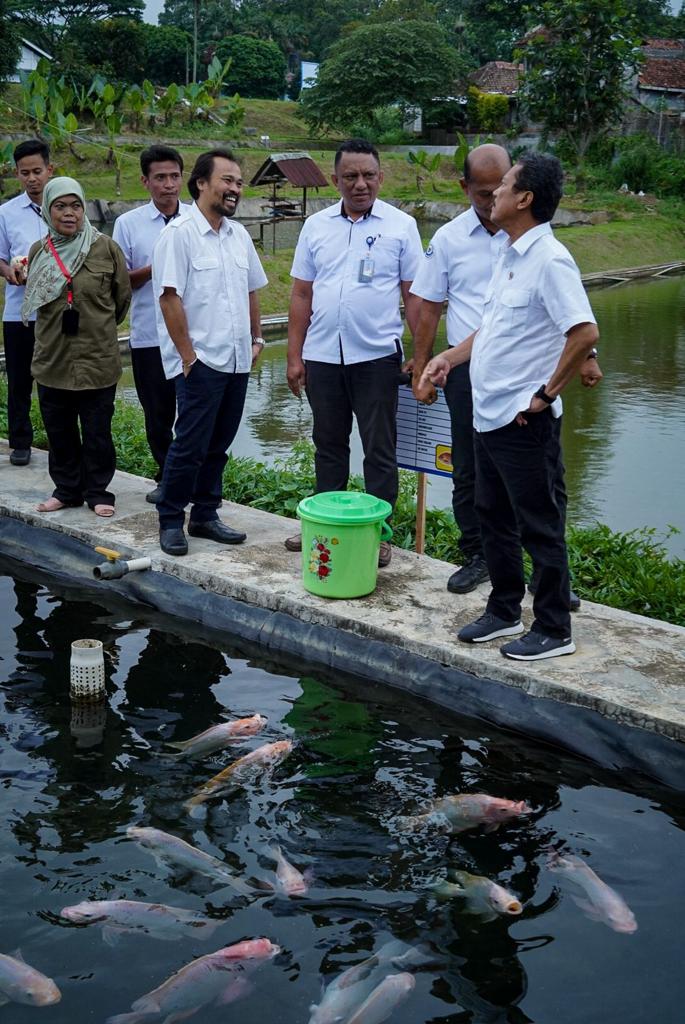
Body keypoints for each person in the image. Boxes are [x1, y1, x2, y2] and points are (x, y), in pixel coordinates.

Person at [420, 153, 599, 661]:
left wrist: (545, 394)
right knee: (491, 513)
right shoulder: (511, 255)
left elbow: (584, 331)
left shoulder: (550, 259)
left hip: (523, 420)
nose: (494, 194)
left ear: (524, 199)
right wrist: (448, 358)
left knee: (538, 522)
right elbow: (492, 329)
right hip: (488, 412)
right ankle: (503, 609)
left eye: (505, 187)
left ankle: (553, 626)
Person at [285, 138, 423, 567]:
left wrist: (422, 354)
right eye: (350, 177)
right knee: (328, 445)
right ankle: (324, 522)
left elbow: (415, 296)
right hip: (323, 355)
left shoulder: (401, 227)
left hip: (377, 358)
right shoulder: (316, 225)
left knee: (379, 448)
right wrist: (294, 356)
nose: (360, 184)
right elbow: (302, 294)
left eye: (368, 176)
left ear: (381, 177)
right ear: (335, 180)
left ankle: (379, 535)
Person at [152, 148, 267, 557]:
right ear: (201, 183)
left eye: (238, 182)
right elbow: (169, 299)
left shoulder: (237, 236)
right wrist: (187, 357)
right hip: (201, 361)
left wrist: (256, 339)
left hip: (237, 360)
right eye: (227, 180)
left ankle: (204, 514)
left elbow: (251, 288)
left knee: (219, 443)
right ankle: (170, 519)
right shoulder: (179, 234)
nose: (235, 188)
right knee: (190, 444)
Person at [23, 177, 131, 516]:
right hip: (52, 358)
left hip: (97, 359)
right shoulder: (39, 251)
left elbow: (121, 299)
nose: (69, 213)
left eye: (76, 206)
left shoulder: (106, 248)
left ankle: (98, 492)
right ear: (48, 210)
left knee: (98, 431)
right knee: (59, 429)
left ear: (84, 209)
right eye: (60, 206)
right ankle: (66, 490)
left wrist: (96, 327)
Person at [112, 145, 186, 503]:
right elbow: (118, 280)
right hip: (149, 336)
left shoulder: (197, 219)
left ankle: (192, 479)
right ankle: (165, 477)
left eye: (174, 176)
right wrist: (160, 265)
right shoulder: (128, 224)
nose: (168, 185)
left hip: (191, 336)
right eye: (160, 177)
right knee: (157, 414)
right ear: (145, 181)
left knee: (193, 413)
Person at [0, 139, 53, 466]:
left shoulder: (65, 206)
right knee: (20, 379)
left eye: (37, 171)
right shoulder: (6, 212)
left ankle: (57, 439)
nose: (32, 179)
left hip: (57, 311)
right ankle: (20, 442)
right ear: (16, 174)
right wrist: (10, 272)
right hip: (19, 310)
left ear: (50, 170)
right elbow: (1, 258)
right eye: (24, 173)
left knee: (55, 380)